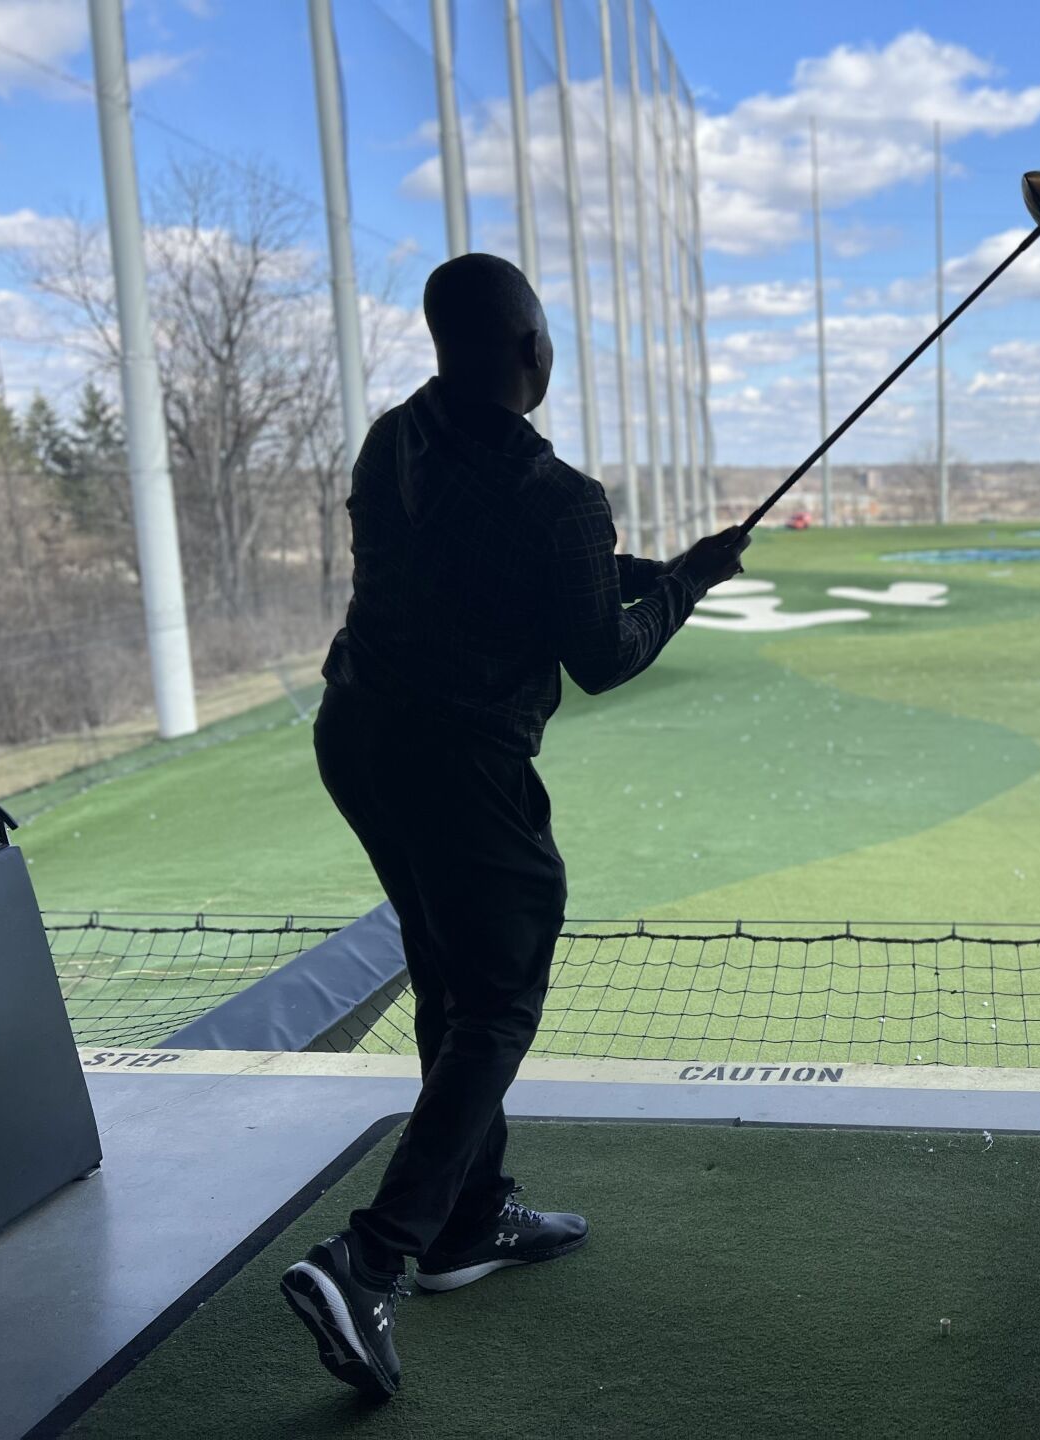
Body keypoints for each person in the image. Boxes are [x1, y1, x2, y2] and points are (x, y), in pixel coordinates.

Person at [279, 252, 747, 1399]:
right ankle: (371, 1258)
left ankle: (467, 1219)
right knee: (497, 1001)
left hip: (358, 738)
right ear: (534, 351)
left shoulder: (394, 440)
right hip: (461, 768)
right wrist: (684, 587)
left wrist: (651, 565)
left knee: (450, 973)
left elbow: (493, 563)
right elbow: (602, 655)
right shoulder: (557, 497)